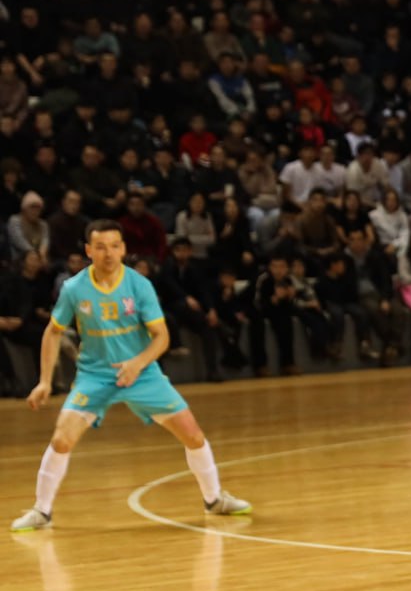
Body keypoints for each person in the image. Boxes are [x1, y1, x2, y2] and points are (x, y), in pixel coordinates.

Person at [11, 221, 250, 533]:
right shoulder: (74, 289)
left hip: (142, 373)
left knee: (193, 434)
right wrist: (44, 381)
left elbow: (162, 337)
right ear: (88, 250)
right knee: (61, 439)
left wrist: (138, 364)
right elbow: (53, 332)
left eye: (114, 246)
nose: (108, 253)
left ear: (123, 249)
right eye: (100, 247)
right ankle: (41, 511)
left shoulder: (139, 285)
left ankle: (214, 499)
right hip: (95, 376)